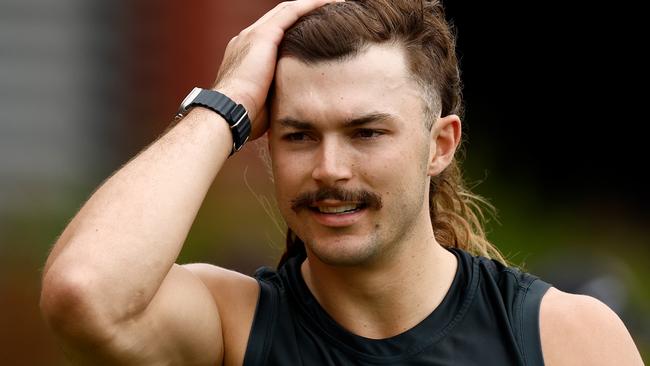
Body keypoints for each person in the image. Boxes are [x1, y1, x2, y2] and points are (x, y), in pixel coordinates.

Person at [40, 0, 644, 365]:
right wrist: (225, 104)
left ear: (440, 146)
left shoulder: (560, 338)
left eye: (366, 133)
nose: (329, 168)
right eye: (299, 135)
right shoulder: (232, 328)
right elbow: (85, 292)